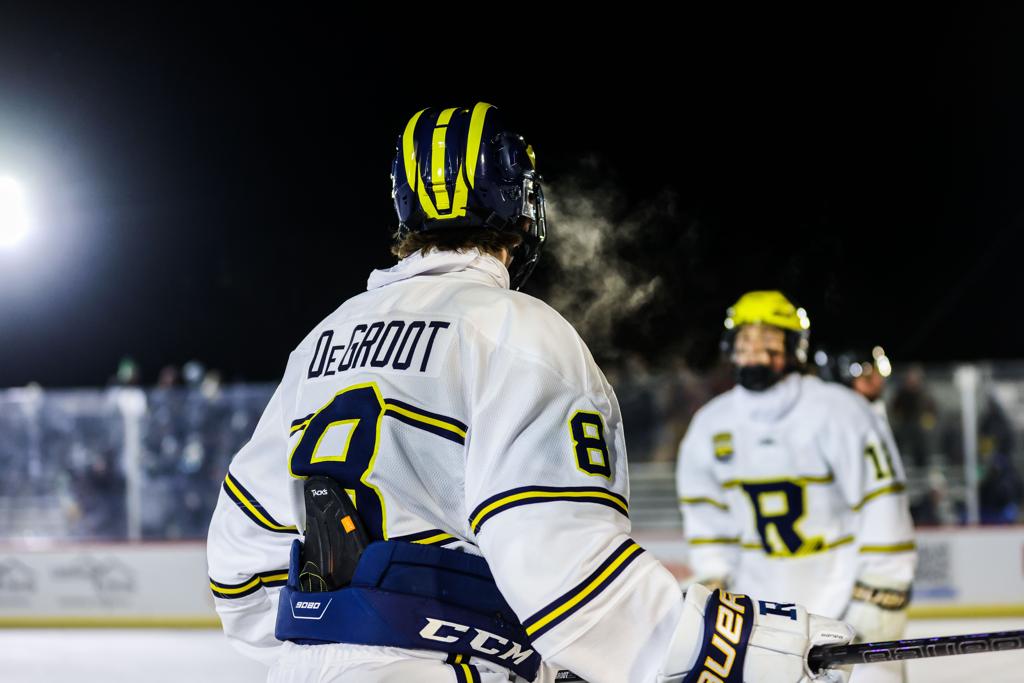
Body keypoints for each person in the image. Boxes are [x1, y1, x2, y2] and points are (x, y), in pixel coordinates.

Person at [207, 104, 853, 683]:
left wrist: (341, 635)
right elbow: (567, 574)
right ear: (522, 205)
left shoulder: (322, 341)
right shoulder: (519, 332)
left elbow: (239, 567)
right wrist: (737, 646)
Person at [676, 291, 917, 683]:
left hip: (844, 606)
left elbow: (882, 504)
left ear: (793, 347)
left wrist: (880, 596)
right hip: (760, 620)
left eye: (767, 339)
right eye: (745, 339)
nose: (754, 350)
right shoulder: (709, 425)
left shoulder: (842, 411)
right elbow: (709, 524)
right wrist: (717, 582)